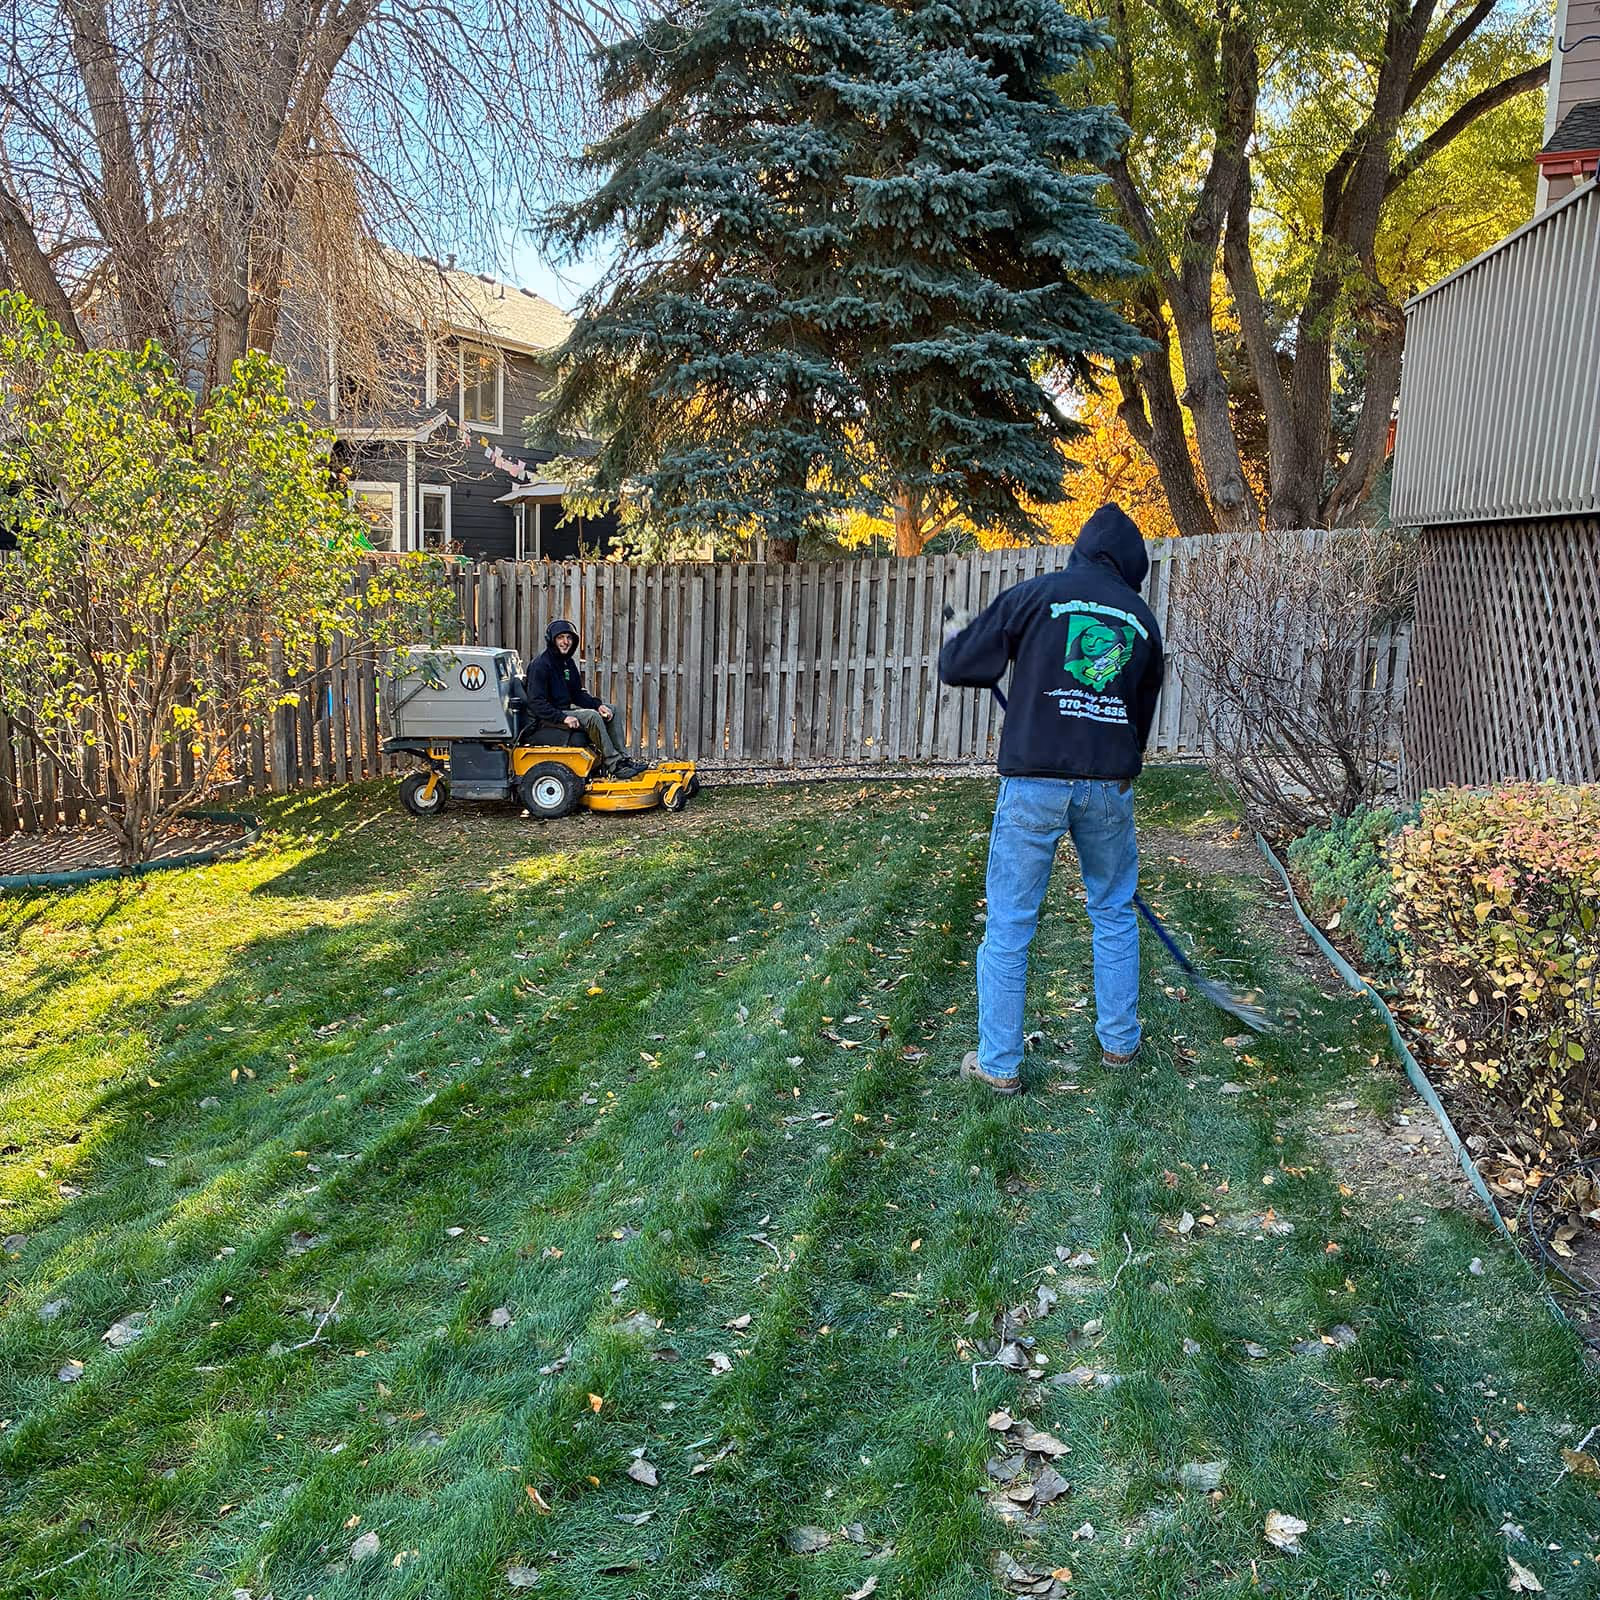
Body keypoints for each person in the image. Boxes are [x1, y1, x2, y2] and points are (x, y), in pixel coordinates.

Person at [938, 505, 1164, 1095]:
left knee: (1010, 923)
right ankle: (1120, 1042)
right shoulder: (1140, 619)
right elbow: (1141, 713)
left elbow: (960, 663)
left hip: (1034, 783)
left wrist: (962, 634)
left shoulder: (1037, 595)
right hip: (1108, 788)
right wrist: (1125, 763)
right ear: (1131, 564)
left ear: (1083, 549)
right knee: (1114, 910)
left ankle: (999, 1064)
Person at [525, 619, 646, 778]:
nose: (565, 642)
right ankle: (614, 764)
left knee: (612, 710)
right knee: (591, 717)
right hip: (546, 718)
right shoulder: (540, 665)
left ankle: (624, 760)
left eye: (569, 638)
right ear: (552, 639)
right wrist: (563, 718)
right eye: (561, 637)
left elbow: (576, 693)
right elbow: (536, 703)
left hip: (563, 710)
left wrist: (598, 705)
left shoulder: (567, 662)